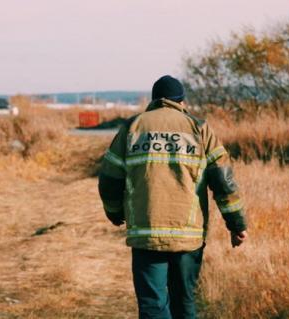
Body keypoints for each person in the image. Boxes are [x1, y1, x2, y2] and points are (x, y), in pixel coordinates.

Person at [98, 75, 248, 319]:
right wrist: (236, 224)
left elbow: (109, 178)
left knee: (153, 306)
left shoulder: (133, 127)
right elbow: (223, 181)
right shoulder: (199, 128)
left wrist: (115, 212)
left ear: (154, 100)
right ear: (181, 101)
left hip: (146, 234)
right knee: (184, 302)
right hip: (188, 236)